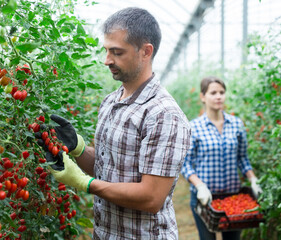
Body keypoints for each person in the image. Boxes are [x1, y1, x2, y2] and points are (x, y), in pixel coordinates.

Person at [36, 7, 191, 240]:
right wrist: (78, 149)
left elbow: (151, 198)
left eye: (117, 52)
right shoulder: (111, 101)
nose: (107, 60)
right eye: (107, 50)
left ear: (145, 51)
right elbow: (108, 169)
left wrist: (85, 184)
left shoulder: (163, 114)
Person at [181, 76, 262, 240]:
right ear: (203, 97)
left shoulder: (236, 124)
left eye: (222, 92)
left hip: (232, 198)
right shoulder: (193, 127)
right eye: (213, 93)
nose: (218, 96)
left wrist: (253, 179)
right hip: (204, 199)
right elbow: (185, 164)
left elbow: (242, 158)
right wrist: (200, 186)